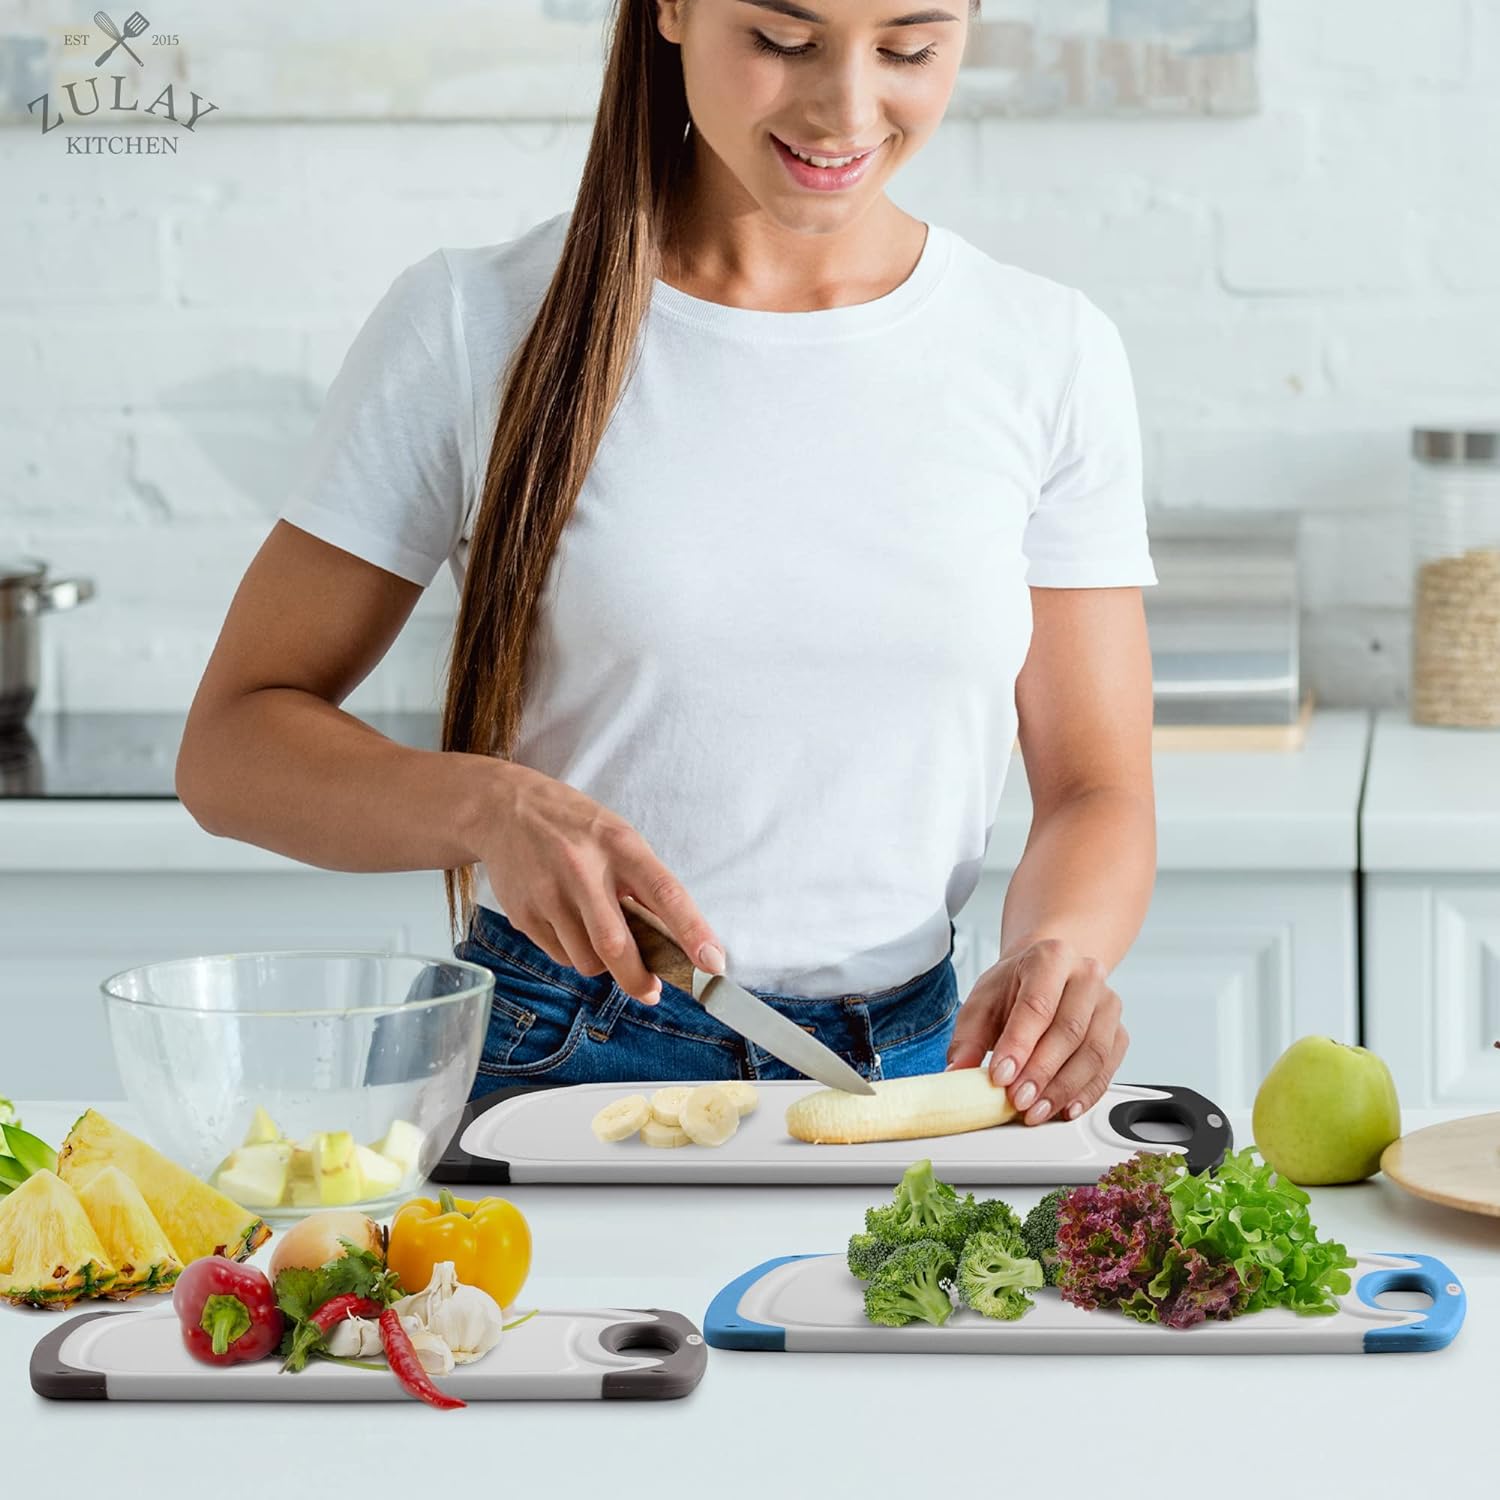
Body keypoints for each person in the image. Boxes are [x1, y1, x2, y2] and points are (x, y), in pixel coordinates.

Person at [177, 0, 1157, 1120]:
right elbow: (231, 747)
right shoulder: (474, 321)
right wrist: (484, 807)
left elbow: (1096, 788)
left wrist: (1060, 956)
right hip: (559, 1065)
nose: (845, 107)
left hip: (920, 1078)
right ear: (675, 10)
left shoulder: (1045, 349)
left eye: (908, 49)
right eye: (783, 42)